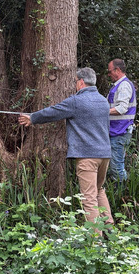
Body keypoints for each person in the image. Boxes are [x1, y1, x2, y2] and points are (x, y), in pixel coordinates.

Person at [18, 67, 114, 235]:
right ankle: (111, 231)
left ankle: (96, 241)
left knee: (89, 197)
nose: (75, 85)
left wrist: (33, 117)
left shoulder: (77, 101)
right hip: (105, 154)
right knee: (98, 191)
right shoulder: (103, 101)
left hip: (87, 156)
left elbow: (54, 111)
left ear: (81, 82)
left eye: (76, 81)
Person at [107, 58, 136, 182]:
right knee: (114, 164)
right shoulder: (119, 85)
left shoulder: (124, 85)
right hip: (116, 130)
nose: (109, 74)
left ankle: (122, 194)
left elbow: (122, 108)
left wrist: (102, 111)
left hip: (120, 131)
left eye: (110, 71)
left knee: (117, 166)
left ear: (117, 70)